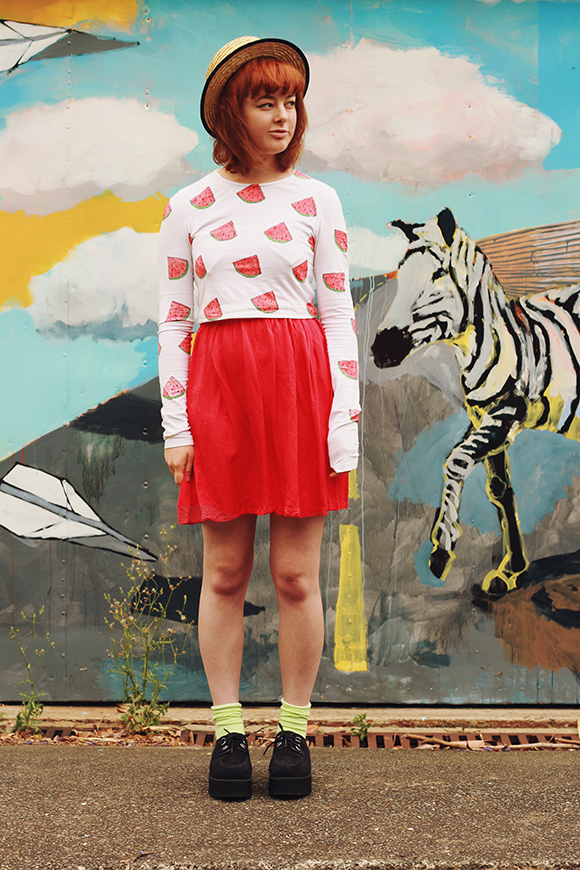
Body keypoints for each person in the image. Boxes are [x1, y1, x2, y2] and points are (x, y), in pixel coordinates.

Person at [158, 36, 360, 800]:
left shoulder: (319, 200)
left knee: (296, 577)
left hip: (301, 392)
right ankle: (228, 734)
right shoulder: (189, 206)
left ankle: (295, 734)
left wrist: (345, 416)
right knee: (225, 572)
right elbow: (175, 321)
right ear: (228, 112)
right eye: (264, 100)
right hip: (221, 395)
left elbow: (337, 313)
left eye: (291, 101)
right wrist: (177, 424)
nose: (283, 115)